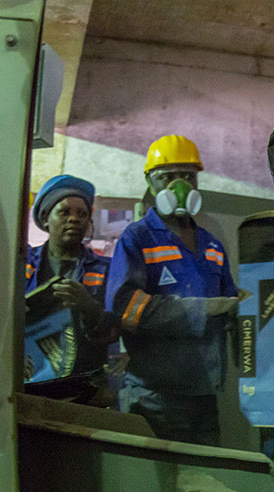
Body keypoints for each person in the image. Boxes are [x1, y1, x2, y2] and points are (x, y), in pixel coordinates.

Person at [105, 135, 238, 445]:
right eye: (167, 177)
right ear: (151, 182)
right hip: (157, 395)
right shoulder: (138, 238)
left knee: (206, 476)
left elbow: (229, 303)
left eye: (188, 176)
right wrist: (200, 309)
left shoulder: (212, 245)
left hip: (205, 389)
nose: (180, 186)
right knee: (165, 482)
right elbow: (125, 307)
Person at [25, 175, 116, 400]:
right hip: (29, 383)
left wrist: (90, 307)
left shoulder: (107, 269)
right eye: (64, 212)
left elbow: (115, 329)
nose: (74, 219)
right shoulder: (23, 263)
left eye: (82, 214)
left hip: (86, 388)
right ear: (46, 218)